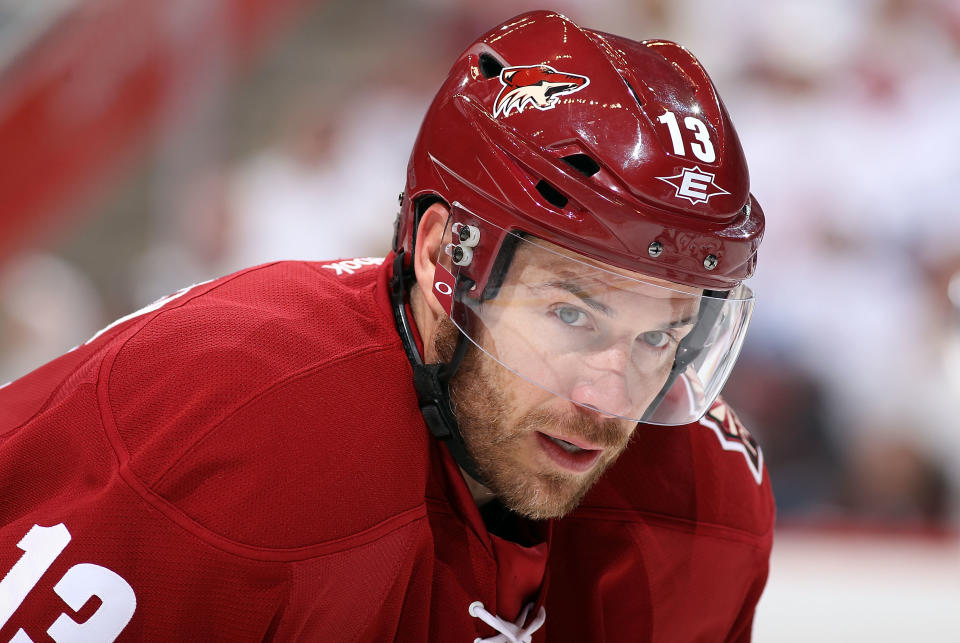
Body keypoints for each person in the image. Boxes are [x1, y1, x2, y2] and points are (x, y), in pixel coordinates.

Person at [0, 10, 772, 642]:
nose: (608, 395)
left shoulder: (703, 511)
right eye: (572, 313)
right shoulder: (241, 435)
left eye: (658, 337)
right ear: (445, 259)